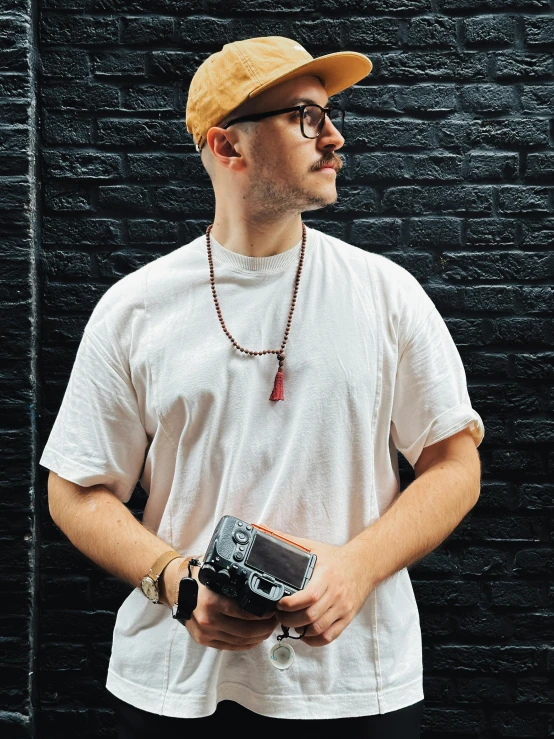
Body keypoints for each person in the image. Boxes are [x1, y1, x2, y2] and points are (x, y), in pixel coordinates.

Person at [41, 36, 485, 739]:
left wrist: (358, 568)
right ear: (228, 146)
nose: (334, 136)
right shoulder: (136, 307)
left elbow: (454, 462)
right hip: (176, 683)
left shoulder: (386, 293)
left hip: (354, 687)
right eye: (306, 117)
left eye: (330, 114)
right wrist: (174, 580)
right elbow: (74, 487)